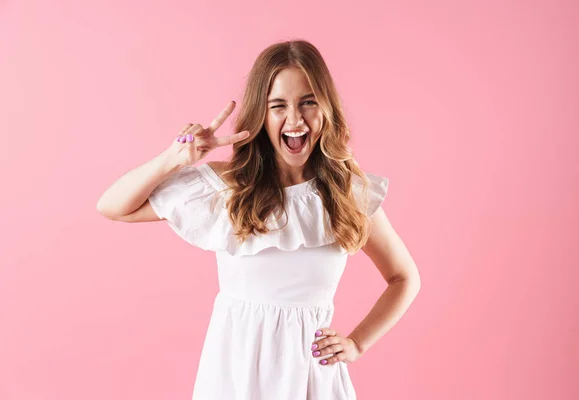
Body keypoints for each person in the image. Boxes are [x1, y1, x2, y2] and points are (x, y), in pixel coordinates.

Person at [97, 39, 421, 400]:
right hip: (234, 377)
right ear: (260, 115)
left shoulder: (347, 193)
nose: (295, 120)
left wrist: (357, 344)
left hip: (312, 379)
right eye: (278, 106)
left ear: (326, 108)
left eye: (308, 102)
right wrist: (173, 159)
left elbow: (404, 278)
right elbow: (113, 206)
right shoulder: (227, 186)